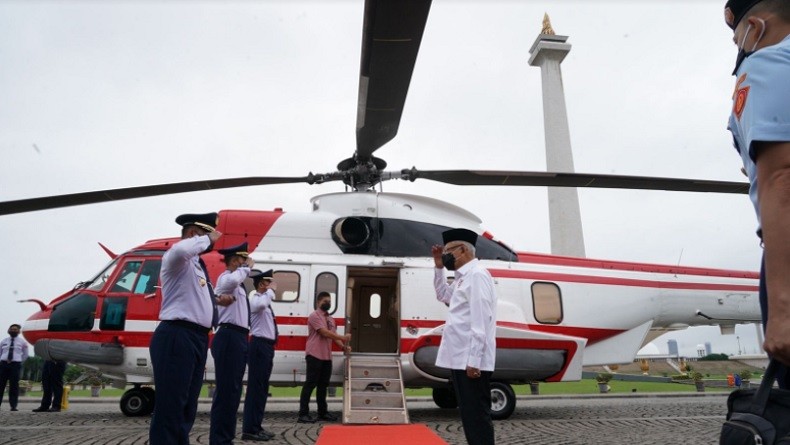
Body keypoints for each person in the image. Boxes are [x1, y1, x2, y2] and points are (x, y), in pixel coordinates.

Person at [724, 0, 790, 388]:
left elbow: (781, 178)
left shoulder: (766, 64)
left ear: (755, 26)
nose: (738, 46)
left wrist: (782, 307)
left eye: (736, 36)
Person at [149, 212, 225, 445]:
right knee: (171, 405)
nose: (211, 242)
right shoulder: (177, 256)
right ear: (193, 234)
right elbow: (183, 249)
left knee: (186, 406)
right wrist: (209, 239)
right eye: (206, 235)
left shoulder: (197, 267)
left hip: (197, 338)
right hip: (177, 335)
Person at [431, 228, 497, 445]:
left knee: (477, 416)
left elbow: (481, 320)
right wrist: (439, 268)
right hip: (460, 359)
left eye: (449, 251)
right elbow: (442, 295)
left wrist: (474, 360)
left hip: (470, 361)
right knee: (469, 415)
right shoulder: (462, 278)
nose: (446, 255)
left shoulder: (477, 275)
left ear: (462, 250)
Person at [209, 242, 254, 445]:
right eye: (242, 261)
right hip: (228, 336)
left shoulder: (237, 284)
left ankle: (225, 437)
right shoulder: (227, 278)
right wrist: (246, 268)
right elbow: (233, 280)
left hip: (238, 337)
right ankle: (219, 440)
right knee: (226, 391)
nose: (246, 264)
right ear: (236, 261)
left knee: (233, 391)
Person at [297, 291, 351, 423]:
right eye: (325, 301)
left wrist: (343, 346)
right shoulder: (314, 316)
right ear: (318, 302)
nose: (328, 303)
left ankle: (323, 413)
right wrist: (343, 337)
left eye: (330, 301)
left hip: (326, 357)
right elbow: (324, 333)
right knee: (310, 384)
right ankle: (303, 414)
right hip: (314, 354)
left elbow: (333, 334)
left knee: (323, 386)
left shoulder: (331, 319)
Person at [242, 269, 278, 442]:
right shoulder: (254, 297)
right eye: (267, 283)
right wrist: (270, 291)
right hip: (259, 346)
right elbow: (260, 306)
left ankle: (256, 426)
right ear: (261, 284)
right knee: (255, 389)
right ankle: (249, 429)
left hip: (266, 347)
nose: (270, 286)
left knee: (262, 389)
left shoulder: (263, 299)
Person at [0, 323, 29, 412]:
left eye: (15, 329)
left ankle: (13, 406)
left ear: (18, 331)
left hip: (15, 365)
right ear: (9, 330)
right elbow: (0, 352)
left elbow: (25, 354)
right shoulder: (4, 341)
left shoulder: (22, 342)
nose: (13, 330)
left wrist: (19, 361)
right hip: (3, 364)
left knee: (14, 386)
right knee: (0, 385)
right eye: (11, 329)